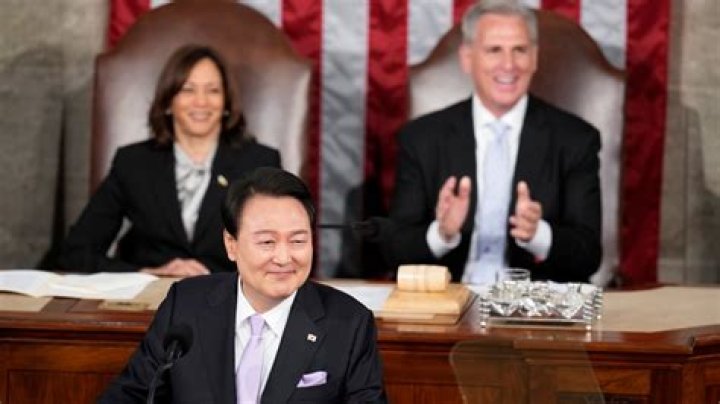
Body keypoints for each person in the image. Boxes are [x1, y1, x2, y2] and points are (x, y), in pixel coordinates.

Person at [99, 167, 387, 403]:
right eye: (267, 242)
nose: (284, 258)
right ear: (231, 244)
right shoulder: (185, 305)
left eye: (298, 241)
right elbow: (131, 395)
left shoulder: (349, 323)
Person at [388, 0, 602, 284]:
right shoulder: (421, 138)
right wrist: (442, 233)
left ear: (534, 58)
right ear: (467, 58)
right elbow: (395, 250)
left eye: (520, 50)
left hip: (532, 304)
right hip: (450, 298)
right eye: (494, 50)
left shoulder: (576, 140)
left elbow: (589, 256)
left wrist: (538, 234)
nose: (508, 65)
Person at [57, 45, 280, 277]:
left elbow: (278, 253)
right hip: (152, 295)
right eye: (188, 90)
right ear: (168, 102)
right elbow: (76, 252)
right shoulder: (133, 163)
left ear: (226, 103)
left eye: (213, 90)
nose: (201, 101)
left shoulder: (259, 163)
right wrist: (147, 273)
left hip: (230, 293)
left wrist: (215, 279)